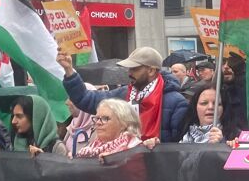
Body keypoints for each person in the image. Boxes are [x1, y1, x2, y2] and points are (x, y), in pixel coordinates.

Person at [59, 47, 189, 143]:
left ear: (151, 70)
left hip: (159, 174)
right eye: (129, 68)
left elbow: (181, 146)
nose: (129, 73)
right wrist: (69, 71)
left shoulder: (176, 102)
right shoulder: (123, 94)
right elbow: (86, 99)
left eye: (134, 68)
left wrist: (158, 147)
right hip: (126, 169)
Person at [72, 99, 156, 159]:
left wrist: (113, 163)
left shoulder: (134, 150)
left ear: (123, 123)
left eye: (105, 118)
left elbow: (135, 180)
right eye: (97, 118)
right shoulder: (92, 146)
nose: (98, 122)